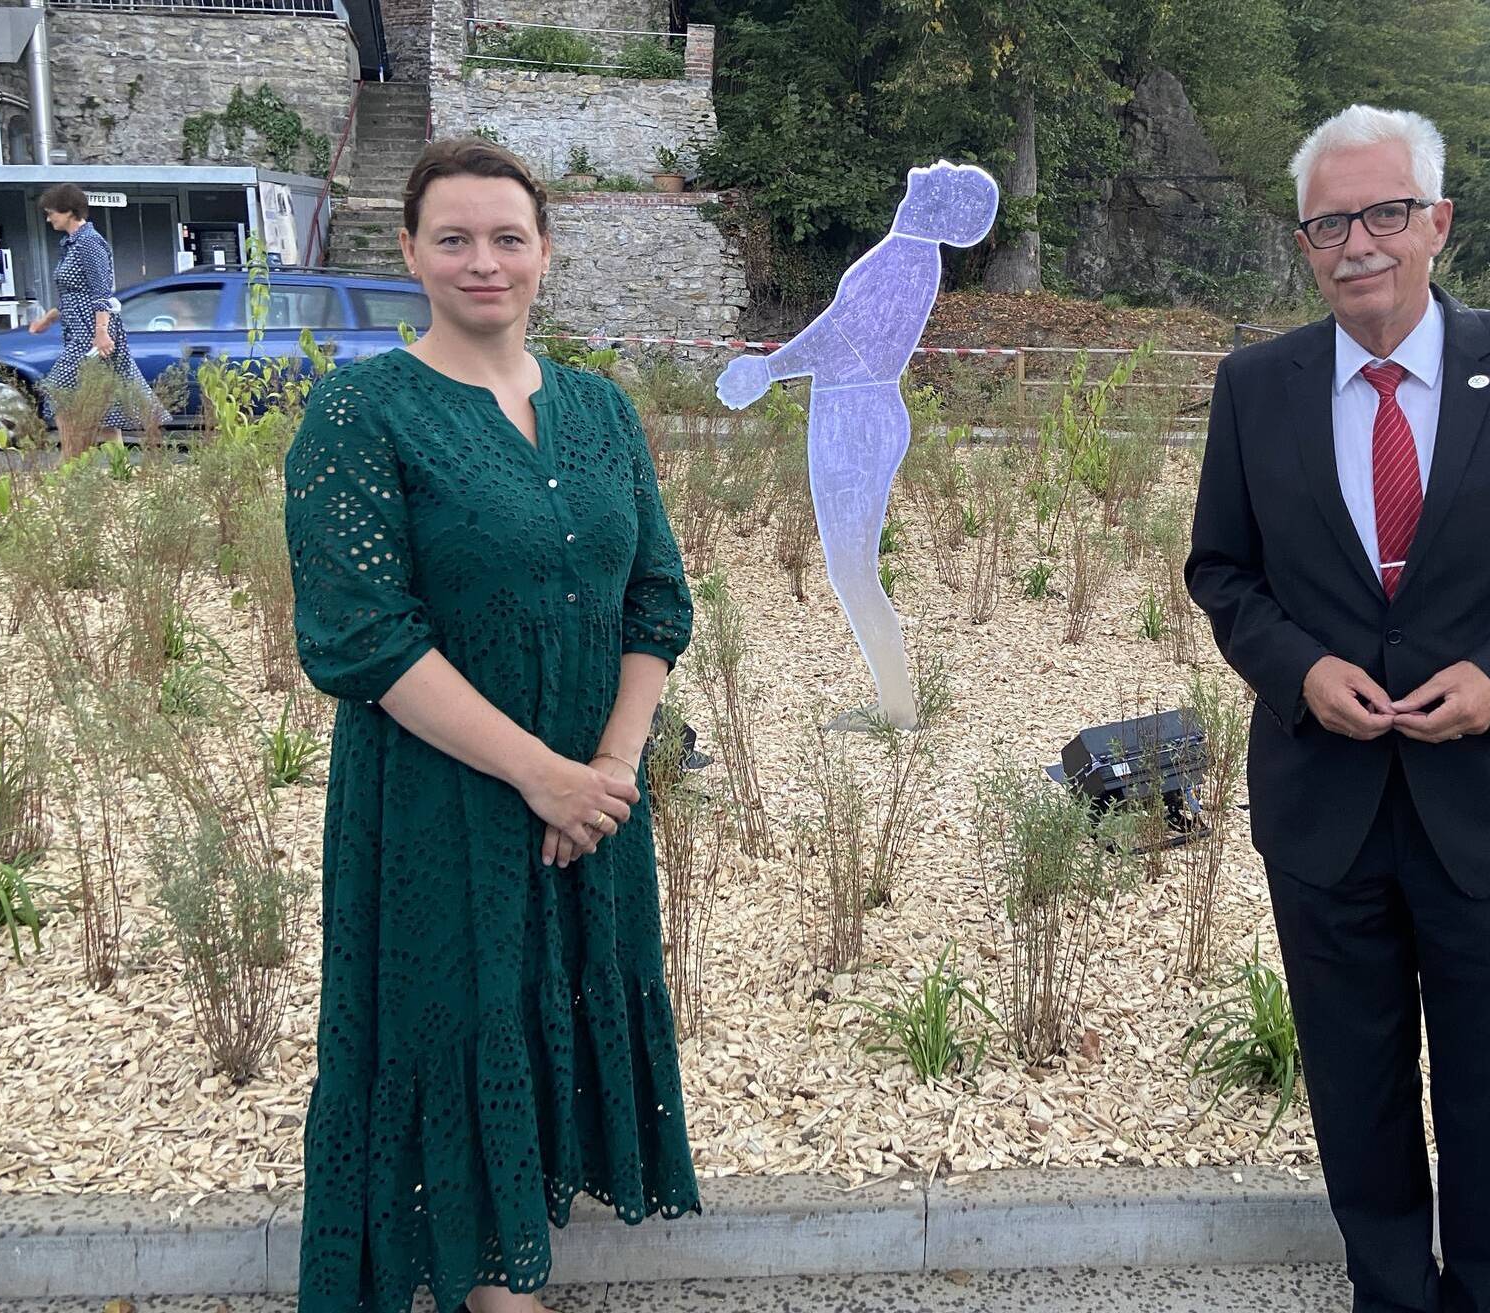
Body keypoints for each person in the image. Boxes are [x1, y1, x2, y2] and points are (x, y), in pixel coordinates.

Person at [1184, 105, 1490, 1313]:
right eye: (1328, 222)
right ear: (1303, 242)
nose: (1357, 244)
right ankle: (1386, 1294)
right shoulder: (1255, 386)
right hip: (1323, 800)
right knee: (1355, 1083)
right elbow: (1221, 572)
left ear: (1436, 222)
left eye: (1384, 213)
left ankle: (1482, 1295)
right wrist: (1295, 670)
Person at [284, 137, 698, 1313]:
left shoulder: (599, 409)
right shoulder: (361, 414)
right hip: (444, 796)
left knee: (548, 1004)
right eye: (454, 238)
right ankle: (491, 1286)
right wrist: (541, 777)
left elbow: (656, 597)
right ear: (409, 251)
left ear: (545, 254)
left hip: (590, 798)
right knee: (460, 1015)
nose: (483, 262)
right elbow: (364, 639)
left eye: (507, 237)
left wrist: (607, 769)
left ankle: (518, 1251)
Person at [713, 161, 998, 730]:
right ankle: (895, 703)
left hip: (856, 416)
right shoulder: (906, 256)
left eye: (946, 176)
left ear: (938, 206)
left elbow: (839, 340)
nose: (935, 166)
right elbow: (840, 332)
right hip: (857, 410)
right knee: (851, 569)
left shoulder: (901, 259)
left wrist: (768, 370)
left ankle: (897, 709)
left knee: (852, 571)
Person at [29, 183, 167, 457]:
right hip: (79, 330)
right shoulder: (71, 244)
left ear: (69, 211)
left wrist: (101, 332)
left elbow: (101, 292)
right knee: (104, 403)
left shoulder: (90, 243)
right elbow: (75, 292)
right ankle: (120, 470)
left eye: (51, 213)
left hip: (91, 335)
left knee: (58, 392)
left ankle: (69, 464)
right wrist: (49, 317)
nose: (49, 219)